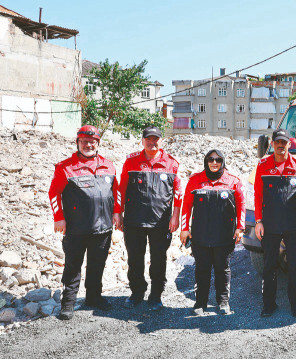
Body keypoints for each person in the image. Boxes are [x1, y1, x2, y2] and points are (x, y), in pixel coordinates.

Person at [48, 125, 122, 320]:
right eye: (84, 141)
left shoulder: (109, 165)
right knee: (73, 266)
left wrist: (117, 213)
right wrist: (59, 217)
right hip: (76, 228)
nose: (88, 145)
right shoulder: (65, 167)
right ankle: (68, 303)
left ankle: (94, 298)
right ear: (78, 143)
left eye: (92, 141)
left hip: (103, 227)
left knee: (97, 265)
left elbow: (118, 192)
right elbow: (54, 193)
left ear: (98, 143)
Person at [119, 126, 182, 311]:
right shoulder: (131, 162)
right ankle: (137, 293)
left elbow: (178, 193)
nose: (152, 142)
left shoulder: (171, 163)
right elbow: (121, 189)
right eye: (148, 139)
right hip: (134, 221)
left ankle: (156, 295)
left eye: (155, 139)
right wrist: (118, 213)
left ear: (161, 141)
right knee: (135, 260)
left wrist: (175, 217)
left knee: (158, 260)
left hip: (160, 223)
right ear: (142, 140)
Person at [180, 149, 245, 316]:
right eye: (210, 159)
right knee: (202, 270)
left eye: (218, 160)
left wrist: (240, 227)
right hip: (200, 236)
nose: (214, 163)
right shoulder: (195, 181)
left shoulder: (233, 181)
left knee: (222, 269)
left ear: (223, 162)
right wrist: (185, 229)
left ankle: (223, 302)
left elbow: (241, 205)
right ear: (206, 161)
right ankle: (200, 303)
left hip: (224, 236)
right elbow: (186, 206)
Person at [254, 129, 296, 318]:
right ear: (272, 142)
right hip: (269, 224)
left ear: (289, 144)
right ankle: (268, 305)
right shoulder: (262, 165)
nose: (280, 145)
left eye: (284, 142)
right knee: (269, 266)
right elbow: (258, 195)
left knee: (295, 265)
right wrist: (258, 221)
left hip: (294, 225)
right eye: (277, 142)